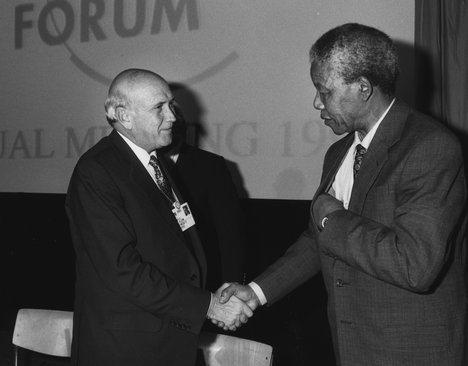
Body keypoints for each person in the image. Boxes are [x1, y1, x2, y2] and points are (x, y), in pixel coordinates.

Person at [219, 23, 468, 366]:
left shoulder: (430, 147)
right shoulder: (339, 152)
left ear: (363, 88)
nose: (315, 102)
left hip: (412, 352)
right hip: (354, 347)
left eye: (324, 91)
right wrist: (257, 293)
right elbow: (319, 239)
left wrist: (331, 216)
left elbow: (415, 265)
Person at [65, 68, 252, 366]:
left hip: (166, 337)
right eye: (159, 108)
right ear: (124, 116)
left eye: (171, 104)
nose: (173, 117)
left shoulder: (154, 162)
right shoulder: (97, 172)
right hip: (126, 348)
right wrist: (209, 306)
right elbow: (122, 271)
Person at [163, 85, 246, 292]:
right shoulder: (140, 166)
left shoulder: (211, 166)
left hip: (201, 285)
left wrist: (231, 286)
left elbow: (230, 234)